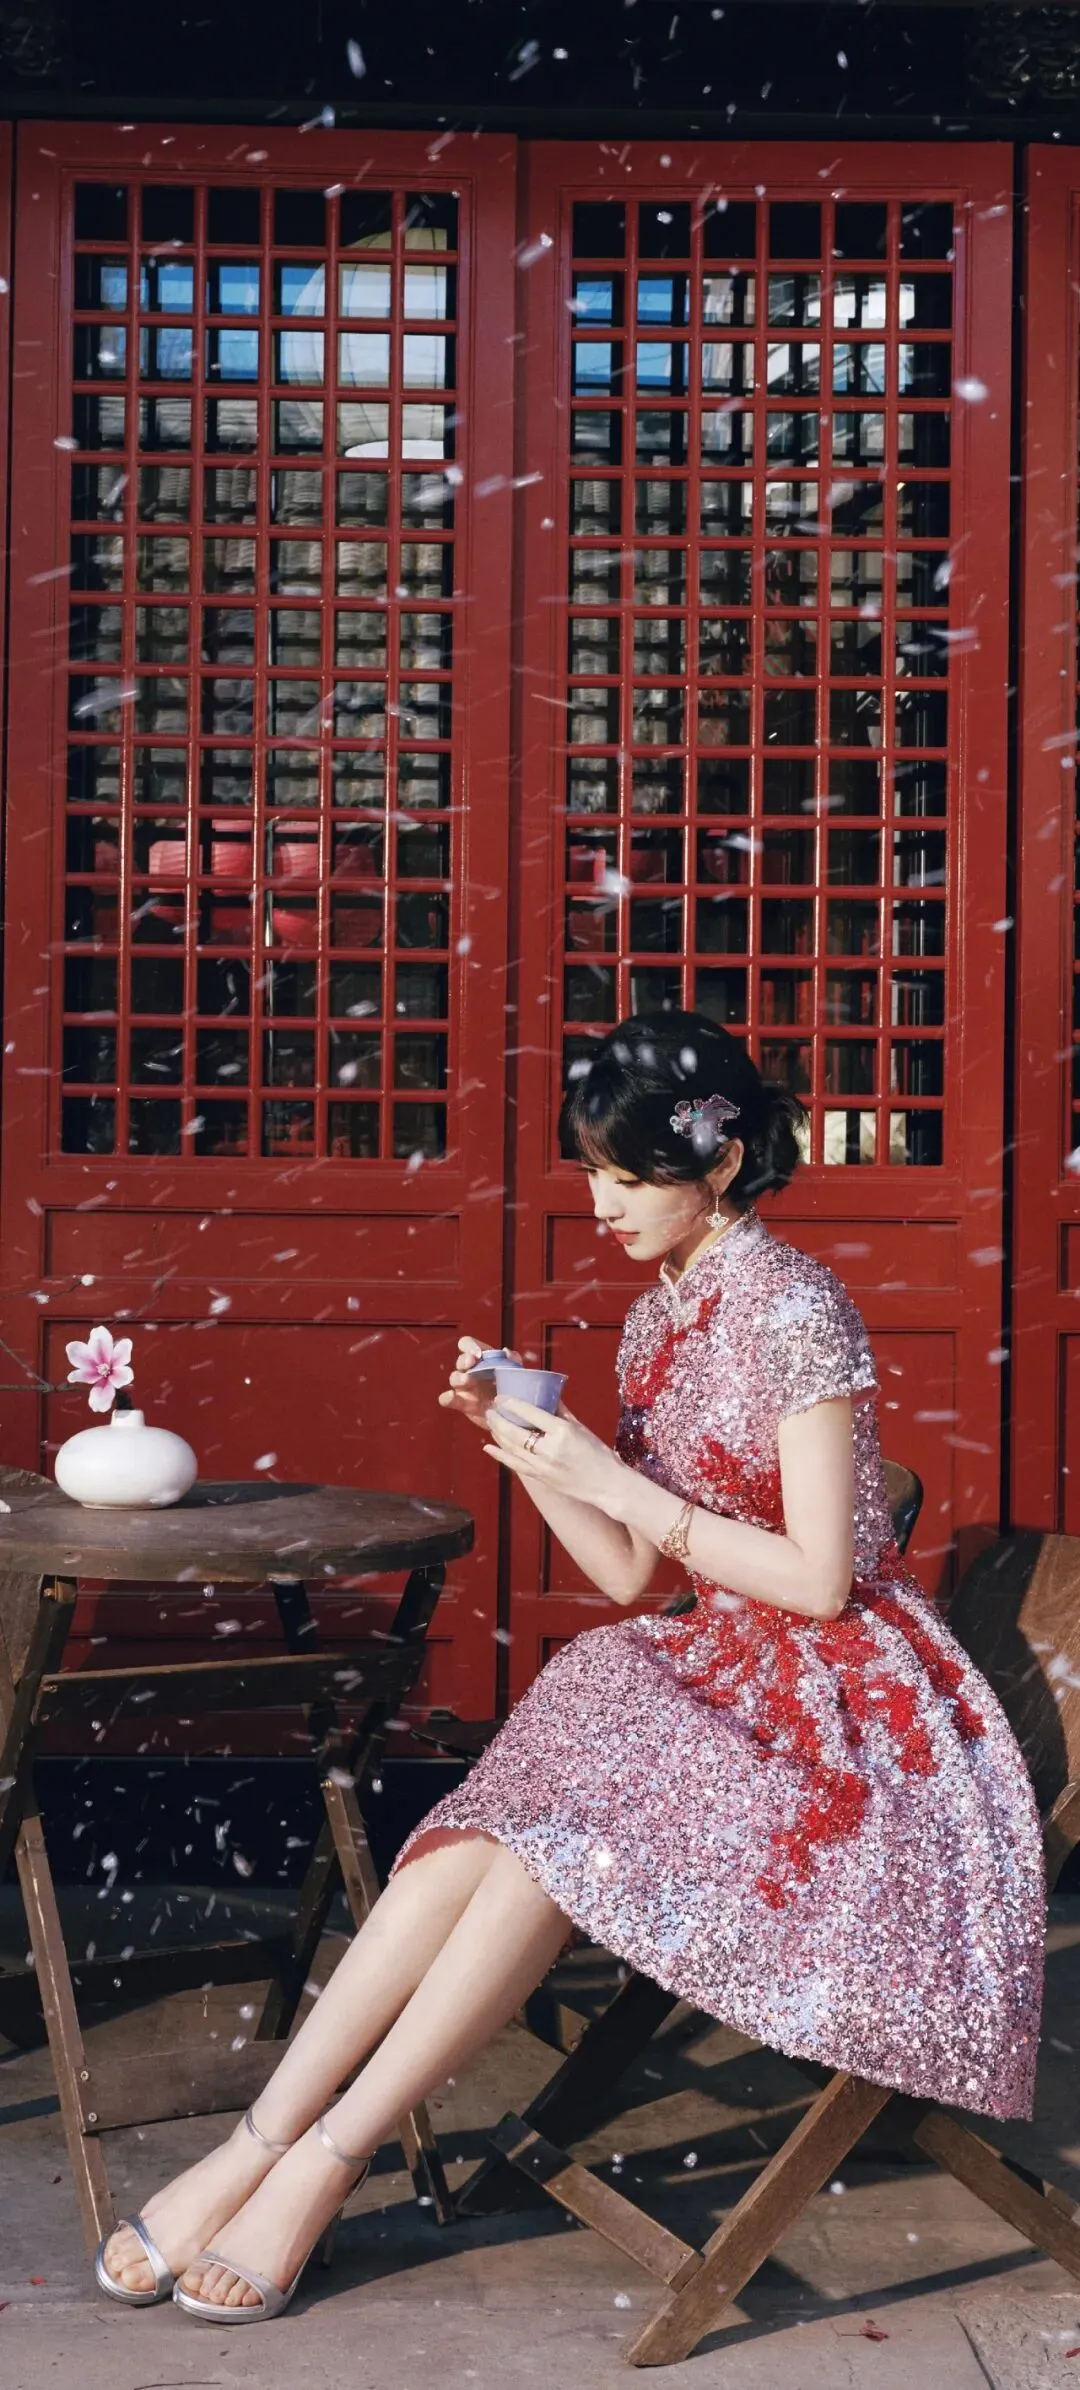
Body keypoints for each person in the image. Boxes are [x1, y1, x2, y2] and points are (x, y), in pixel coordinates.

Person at [97, 1010, 1045, 2324]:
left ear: (721, 1163)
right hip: (724, 1671)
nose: (602, 1203)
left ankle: (322, 2158)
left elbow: (826, 1580)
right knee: (495, 1825)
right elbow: (628, 1572)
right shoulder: (657, 1321)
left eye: (630, 1174)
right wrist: (530, 1445)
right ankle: (260, 2142)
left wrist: (611, 1474)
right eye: (592, 1171)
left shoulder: (797, 1306)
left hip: (848, 1721)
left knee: (562, 1800)